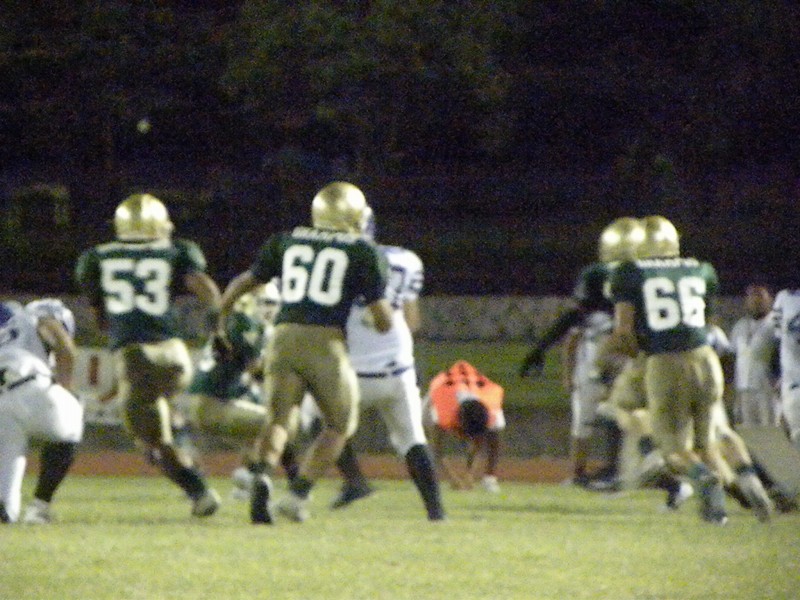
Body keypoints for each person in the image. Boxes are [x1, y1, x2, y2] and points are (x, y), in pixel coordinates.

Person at [217, 181, 392, 524]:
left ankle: (262, 475)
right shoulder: (363, 251)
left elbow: (244, 282)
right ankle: (297, 495)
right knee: (340, 424)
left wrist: (221, 316)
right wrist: (376, 322)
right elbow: (383, 319)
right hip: (325, 342)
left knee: (278, 420)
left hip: (282, 338)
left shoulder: (286, 240)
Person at [606, 215, 773, 524]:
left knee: (673, 449)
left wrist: (628, 354)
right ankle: (748, 487)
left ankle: (704, 481)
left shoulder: (630, 273)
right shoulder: (701, 269)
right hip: (705, 359)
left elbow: (624, 333)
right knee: (709, 440)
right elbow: (705, 321)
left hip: (665, 362)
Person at [75, 193, 223, 518]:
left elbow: (101, 317)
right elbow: (208, 290)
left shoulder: (96, 258)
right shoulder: (177, 251)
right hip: (174, 354)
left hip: (135, 357)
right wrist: (217, 328)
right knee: (161, 408)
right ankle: (182, 438)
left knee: (151, 442)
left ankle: (198, 491)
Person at [323, 210, 445, 520]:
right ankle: (436, 512)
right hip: (397, 366)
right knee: (412, 439)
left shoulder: (335, 260)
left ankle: (354, 481)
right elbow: (412, 321)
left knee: (318, 420)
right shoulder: (406, 260)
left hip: (352, 371)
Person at [520, 217, 644, 487]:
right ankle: (608, 471)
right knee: (616, 416)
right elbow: (576, 327)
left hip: (610, 355)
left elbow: (574, 318)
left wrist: (541, 348)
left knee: (605, 417)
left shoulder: (600, 278)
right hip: (629, 356)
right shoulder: (644, 275)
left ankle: (614, 471)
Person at [186, 280, 281, 497]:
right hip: (213, 405)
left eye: (272, 303)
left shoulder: (236, 321)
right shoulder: (246, 324)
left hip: (213, 400)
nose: (269, 309)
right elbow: (257, 370)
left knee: (258, 416)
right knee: (277, 425)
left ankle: (244, 483)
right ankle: (252, 477)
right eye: (265, 302)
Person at [0, 299, 84, 524]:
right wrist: (66, 389)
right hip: (28, 382)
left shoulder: (9, 324)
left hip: (2, 402)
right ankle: (39, 507)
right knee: (72, 414)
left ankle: (6, 508)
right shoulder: (39, 316)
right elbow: (65, 348)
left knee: (6, 506)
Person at [424, 360, 504, 491]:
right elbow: (436, 447)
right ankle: (425, 477)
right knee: (421, 438)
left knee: (494, 437)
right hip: (442, 388)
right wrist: (452, 478)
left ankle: (489, 478)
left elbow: (480, 440)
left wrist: (469, 475)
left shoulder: (492, 408)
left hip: (474, 389)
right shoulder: (440, 408)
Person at [728, 285, 780, 426]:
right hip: (743, 388)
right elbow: (733, 356)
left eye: (760, 297)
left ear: (769, 300)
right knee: (747, 431)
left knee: (770, 430)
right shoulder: (740, 326)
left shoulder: (776, 324)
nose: (756, 301)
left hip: (767, 389)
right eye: (752, 297)